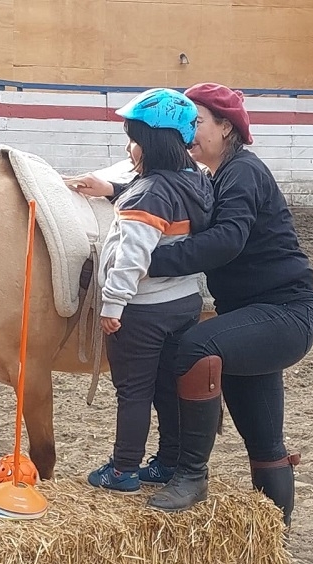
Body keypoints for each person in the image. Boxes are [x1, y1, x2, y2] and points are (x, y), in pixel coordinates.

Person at [72, 83, 313, 527]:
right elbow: (169, 195)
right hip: (248, 317)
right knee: (265, 442)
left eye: (198, 121)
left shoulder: (242, 172)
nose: (190, 131)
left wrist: (144, 262)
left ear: (226, 128)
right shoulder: (209, 175)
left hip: (281, 312)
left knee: (194, 348)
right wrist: (113, 189)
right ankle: (274, 549)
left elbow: (226, 240)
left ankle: (190, 473)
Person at [82, 88, 213, 492]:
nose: (129, 147)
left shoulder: (149, 193)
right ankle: (169, 461)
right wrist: (115, 189)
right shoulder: (197, 181)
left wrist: (112, 305)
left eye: (135, 139)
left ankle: (123, 470)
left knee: (133, 391)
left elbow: (132, 256)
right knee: (165, 387)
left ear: (152, 144)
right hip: (183, 303)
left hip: (142, 310)